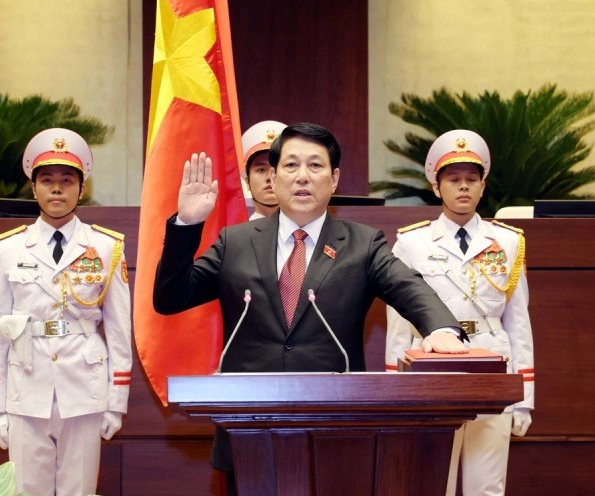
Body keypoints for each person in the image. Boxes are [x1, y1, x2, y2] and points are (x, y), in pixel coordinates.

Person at [153, 122, 467, 494]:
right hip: (249, 429)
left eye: (315, 166)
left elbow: (408, 285)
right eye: (290, 166)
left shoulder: (361, 245)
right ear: (272, 176)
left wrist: (443, 329)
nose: (302, 176)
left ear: (334, 179)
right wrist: (188, 223)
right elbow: (170, 298)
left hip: (336, 428)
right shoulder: (234, 242)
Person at [0, 128, 133, 496]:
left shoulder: (106, 247)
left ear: (82, 189)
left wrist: (116, 404)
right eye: (46, 180)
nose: (56, 189)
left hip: (84, 386)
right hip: (26, 385)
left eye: (67, 181)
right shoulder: (9, 249)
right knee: (25, 490)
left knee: (78, 490)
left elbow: (118, 331)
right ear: (33, 188)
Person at [384, 129, 535, 496]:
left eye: (472, 179)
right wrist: (394, 396)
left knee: (487, 488)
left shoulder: (509, 242)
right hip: (430, 369)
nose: (463, 187)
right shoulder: (412, 242)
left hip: (493, 369)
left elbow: (518, 321)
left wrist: (525, 396)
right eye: (453, 179)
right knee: (435, 484)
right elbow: (398, 325)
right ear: (436, 187)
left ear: (483, 186)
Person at [240, 120, 287, 219]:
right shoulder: (232, 234)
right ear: (247, 181)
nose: (269, 178)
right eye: (261, 170)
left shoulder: (309, 233)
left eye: (276, 170)